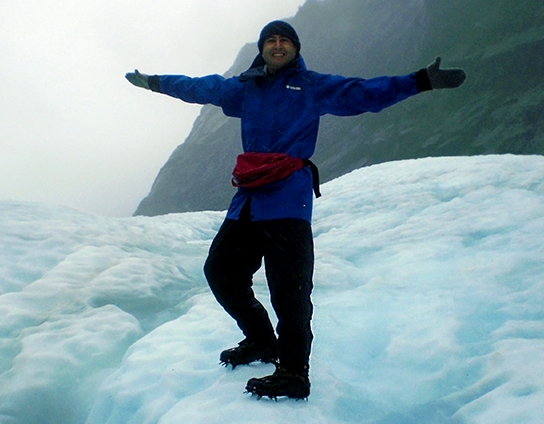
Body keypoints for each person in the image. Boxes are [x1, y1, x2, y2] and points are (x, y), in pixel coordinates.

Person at [125, 20, 466, 400]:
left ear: (295, 49)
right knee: (221, 271)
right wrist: (155, 82)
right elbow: (198, 86)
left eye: (284, 40)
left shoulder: (312, 86)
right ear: (262, 48)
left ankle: (293, 372)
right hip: (249, 199)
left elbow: (365, 93)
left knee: (290, 290)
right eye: (271, 40)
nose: (277, 45)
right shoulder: (245, 88)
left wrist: (420, 80)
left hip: (288, 198)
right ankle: (260, 340)